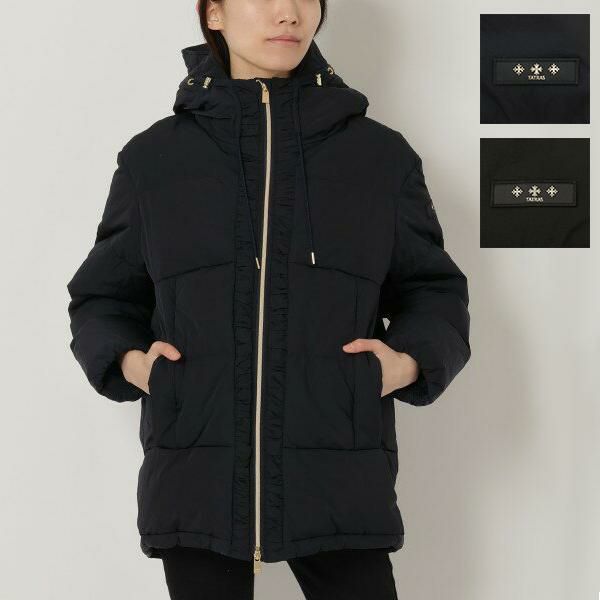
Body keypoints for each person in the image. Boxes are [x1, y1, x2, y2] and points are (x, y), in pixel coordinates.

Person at [66, 0, 471, 597]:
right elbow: (101, 297)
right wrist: (133, 364)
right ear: (214, 14)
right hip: (197, 474)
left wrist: (406, 363)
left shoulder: (380, 158)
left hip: (339, 471)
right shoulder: (153, 160)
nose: (288, 14)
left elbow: (434, 290)